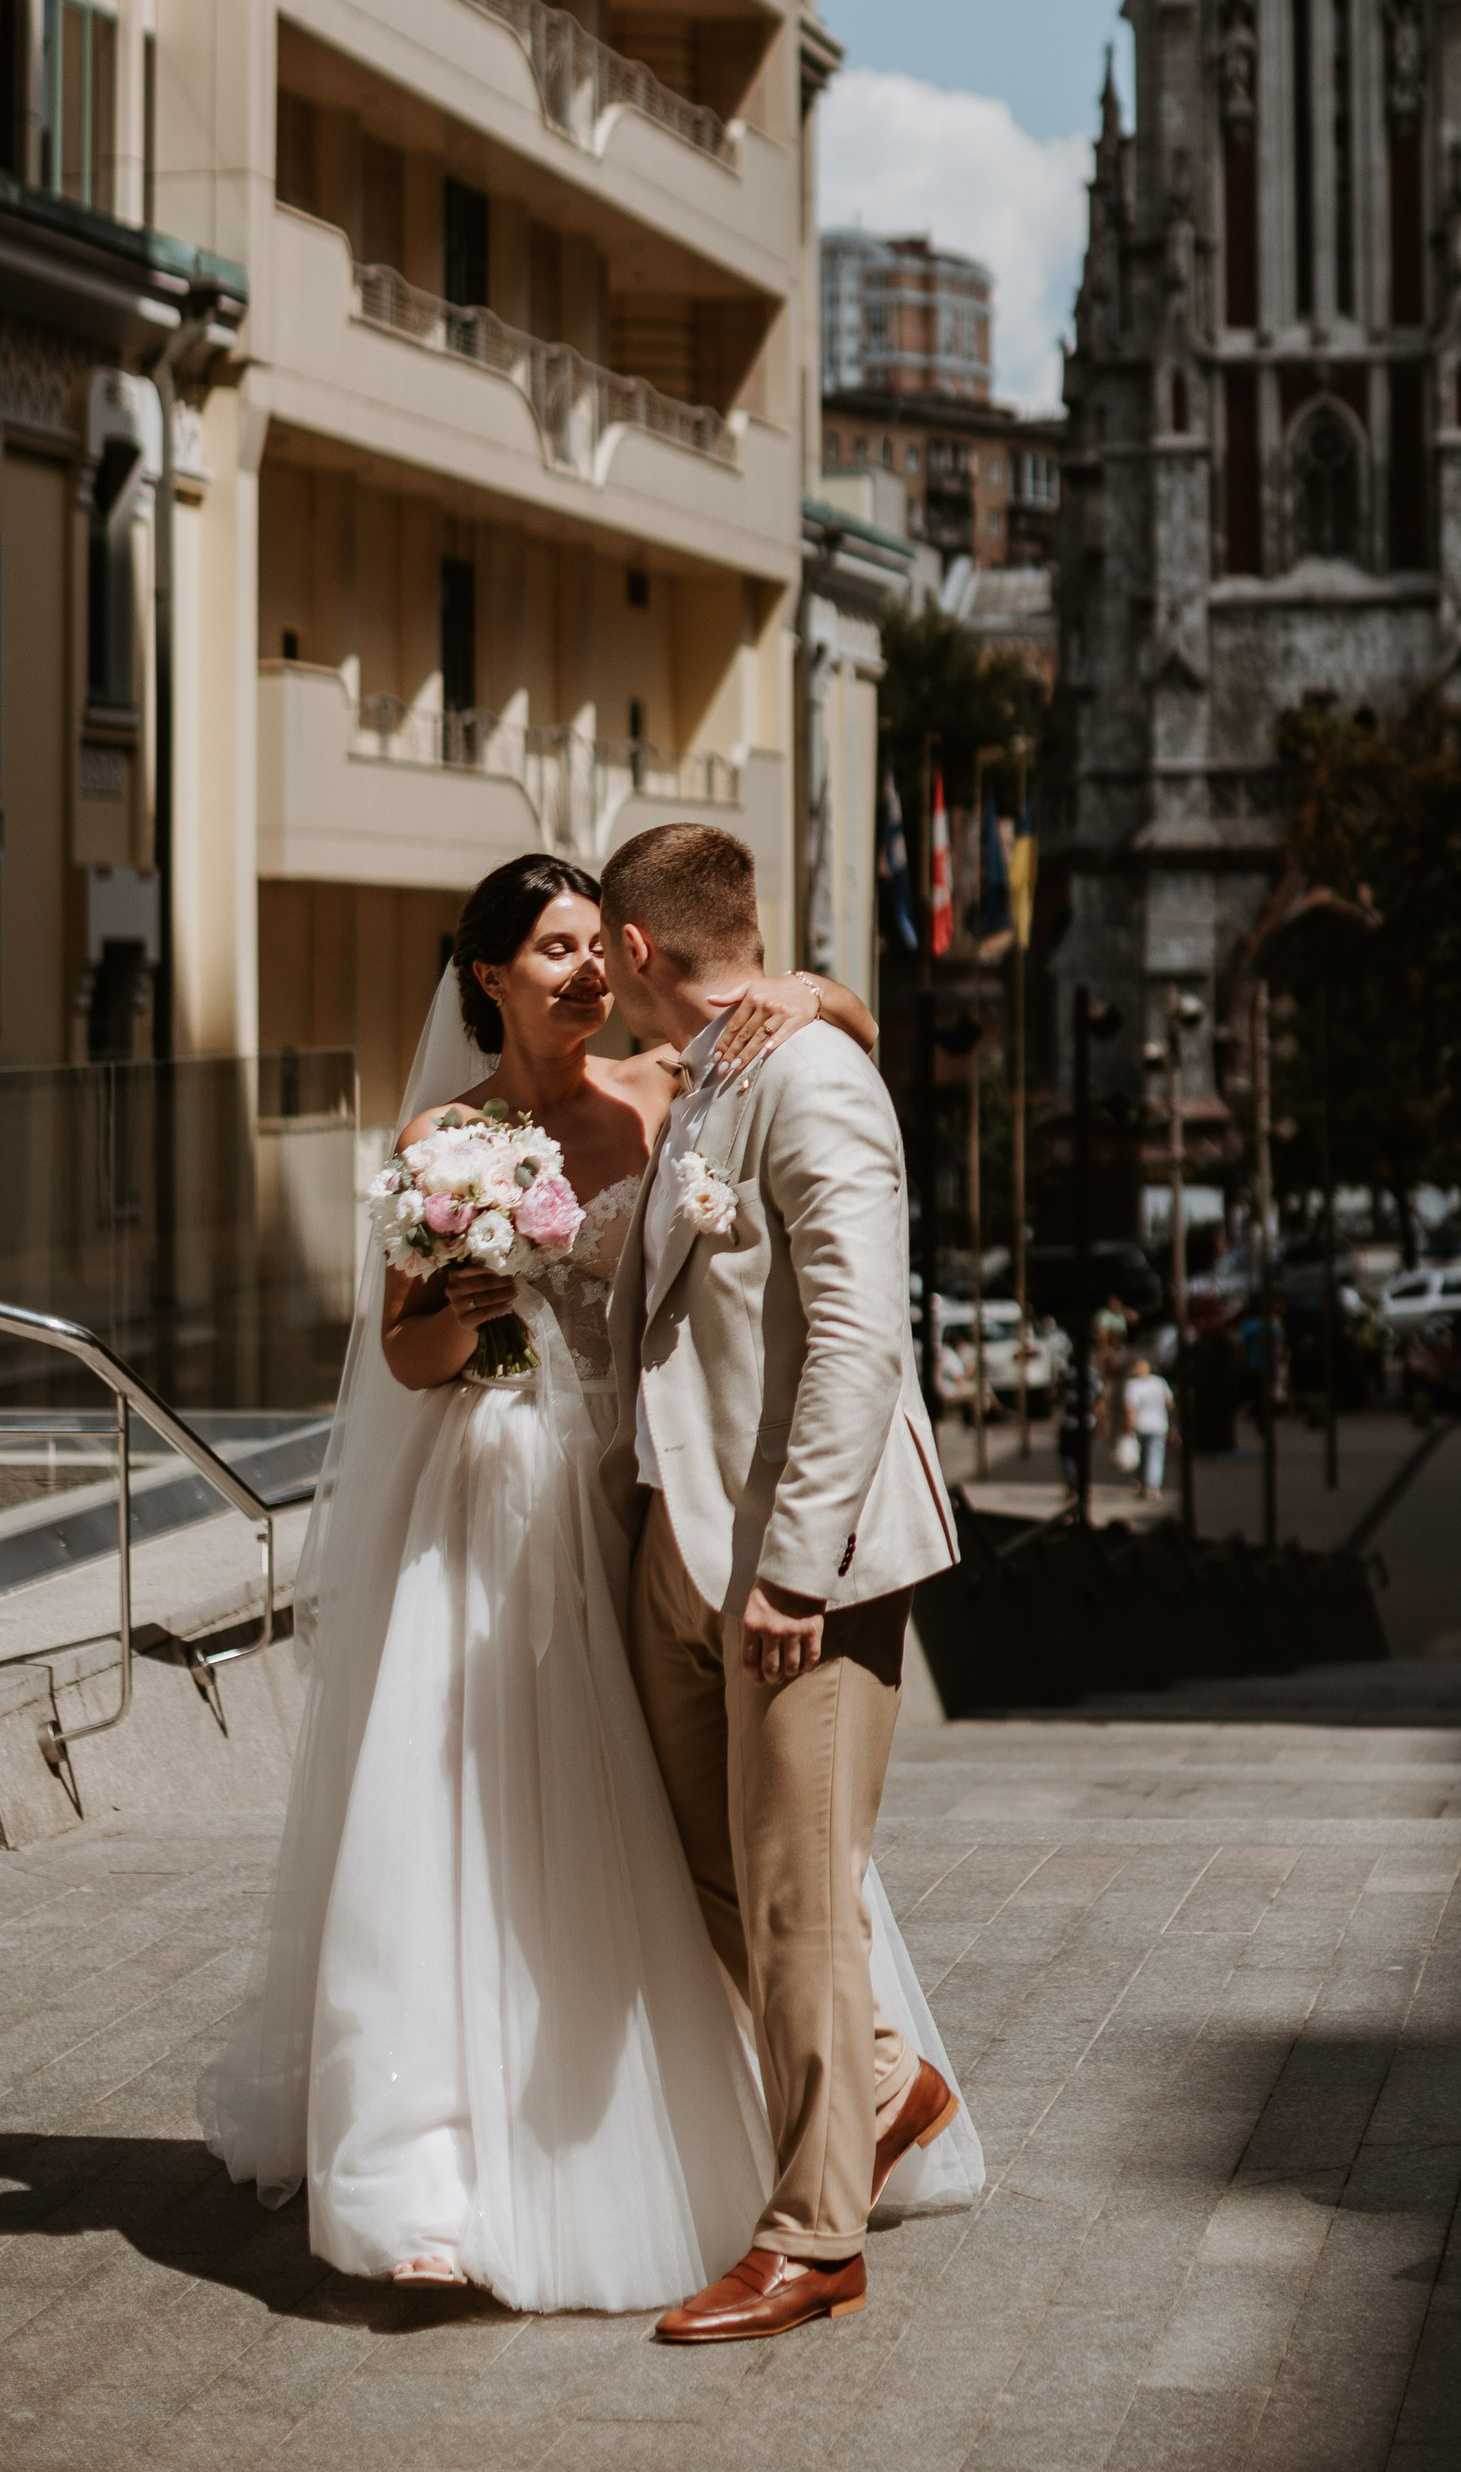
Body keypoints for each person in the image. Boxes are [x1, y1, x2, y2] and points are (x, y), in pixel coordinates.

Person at [200, 851, 979, 2317]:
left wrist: (812, 987)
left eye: (588, 947)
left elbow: (822, 1045)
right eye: (547, 953)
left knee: (730, 1839)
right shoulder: (447, 1135)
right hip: (513, 1498)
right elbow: (409, 1357)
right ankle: (453, 2160)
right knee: (515, 1824)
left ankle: (850, 2114)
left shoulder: (673, 1081)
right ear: (487, 980)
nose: (578, 974)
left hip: (657, 1495)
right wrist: (462, 1299)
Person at [604, 823, 972, 2345]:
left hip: (797, 1569)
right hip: (684, 1547)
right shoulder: (712, 1071)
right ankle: (889, 2091)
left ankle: (815, 2238)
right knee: (718, 1874)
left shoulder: (813, 1076)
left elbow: (857, 1342)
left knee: (804, 1897)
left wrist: (795, 1570)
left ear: (635, 953)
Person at [1118, 1352, 1173, 1495]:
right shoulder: (1159, 1382)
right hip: (1159, 1424)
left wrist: (1127, 1428)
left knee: (1142, 1457)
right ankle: (1152, 1486)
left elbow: (1130, 1409)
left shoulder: (1133, 1385)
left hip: (1140, 1425)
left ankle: (1143, 1484)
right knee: (1155, 1456)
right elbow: (1169, 1404)